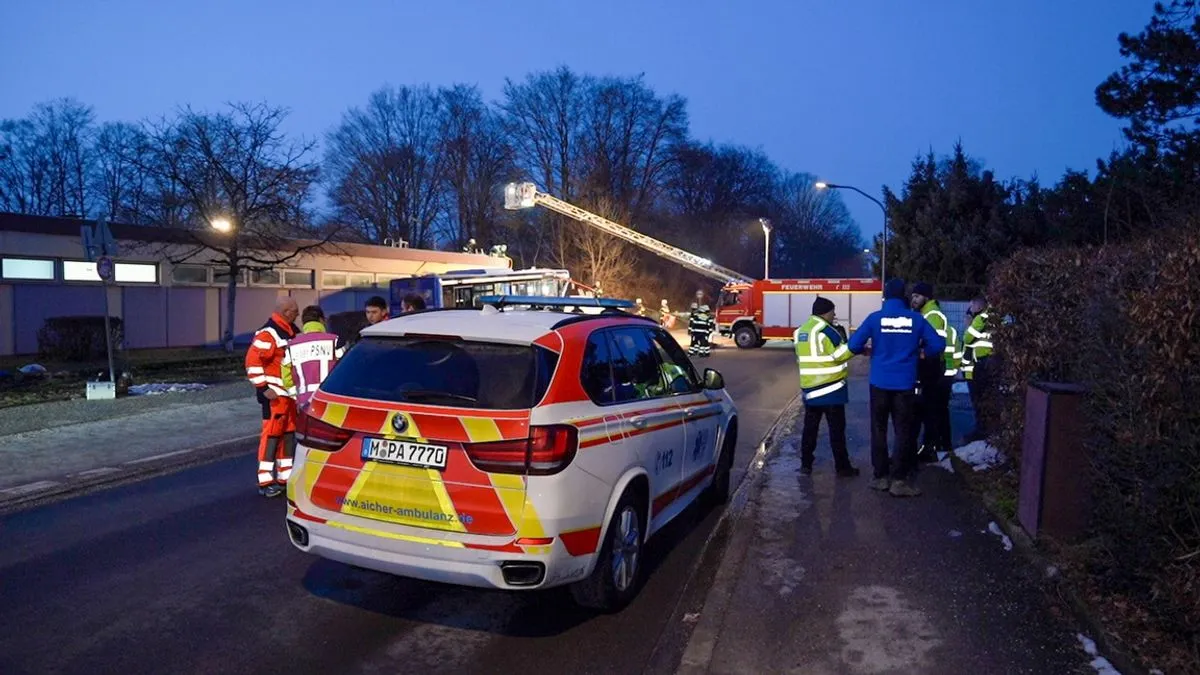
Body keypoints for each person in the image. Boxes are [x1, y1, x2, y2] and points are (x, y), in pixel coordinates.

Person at [845, 279, 944, 497]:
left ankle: (880, 477)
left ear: (886, 297)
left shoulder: (875, 318)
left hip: (879, 383)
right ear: (905, 297)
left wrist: (867, 350)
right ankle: (899, 480)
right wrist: (921, 353)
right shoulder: (916, 320)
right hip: (905, 385)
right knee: (903, 431)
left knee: (878, 430)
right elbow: (938, 345)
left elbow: (852, 345)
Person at [794, 296, 859, 477]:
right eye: (833, 311)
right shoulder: (827, 331)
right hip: (832, 390)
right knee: (836, 431)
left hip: (810, 391)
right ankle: (842, 467)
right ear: (826, 312)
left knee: (810, 430)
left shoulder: (800, 332)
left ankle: (806, 464)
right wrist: (856, 347)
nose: (834, 315)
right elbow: (840, 355)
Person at [245, 296, 300, 498]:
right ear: (286, 312)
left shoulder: (290, 331)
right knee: (271, 437)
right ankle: (265, 480)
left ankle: (284, 478)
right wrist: (263, 387)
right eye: (295, 310)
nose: (298, 314)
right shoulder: (269, 333)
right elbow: (252, 362)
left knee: (287, 436)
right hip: (275, 398)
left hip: (287, 397)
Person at [910, 282, 960, 462]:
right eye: (913, 296)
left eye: (917, 296)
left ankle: (932, 448)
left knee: (931, 410)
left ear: (927, 297)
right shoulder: (927, 314)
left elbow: (931, 344)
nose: (913, 299)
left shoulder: (932, 315)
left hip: (934, 370)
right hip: (936, 369)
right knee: (935, 410)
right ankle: (940, 446)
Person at [283, 305, 346, 410]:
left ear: (304, 323)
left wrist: (294, 395)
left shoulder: (292, 345)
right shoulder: (335, 341)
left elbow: (286, 375)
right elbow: (345, 369)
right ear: (321, 320)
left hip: (304, 402)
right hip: (330, 399)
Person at [962, 297, 994, 442]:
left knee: (979, 399)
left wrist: (969, 325)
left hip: (982, 364)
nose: (969, 309)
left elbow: (968, 338)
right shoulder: (991, 317)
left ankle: (982, 431)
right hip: (984, 363)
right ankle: (985, 429)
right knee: (984, 399)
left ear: (979, 306)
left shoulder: (981, 318)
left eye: (971, 305)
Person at [687, 290, 714, 358]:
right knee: (703, 343)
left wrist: (691, 331)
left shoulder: (696, 316)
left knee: (694, 342)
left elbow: (692, 324)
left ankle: (693, 352)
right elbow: (709, 326)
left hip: (696, 333)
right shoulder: (707, 317)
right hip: (704, 333)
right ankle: (703, 353)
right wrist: (709, 332)